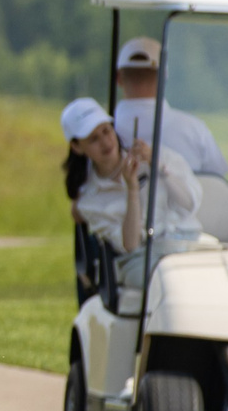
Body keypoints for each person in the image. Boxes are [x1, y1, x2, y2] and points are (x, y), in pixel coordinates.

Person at [61, 96, 200, 290]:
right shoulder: (89, 201)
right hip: (141, 259)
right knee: (169, 279)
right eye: (93, 139)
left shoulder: (156, 155)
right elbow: (131, 244)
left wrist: (157, 165)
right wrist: (132, 189)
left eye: (106, 131)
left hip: (186, 242)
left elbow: (189, 204)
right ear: (77, 147)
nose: (105, 142)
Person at [111, 37, 228, 180]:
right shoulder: (194, 129)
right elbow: (217, 180)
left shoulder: (99, 135)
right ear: (164, 76)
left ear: (118, 78)